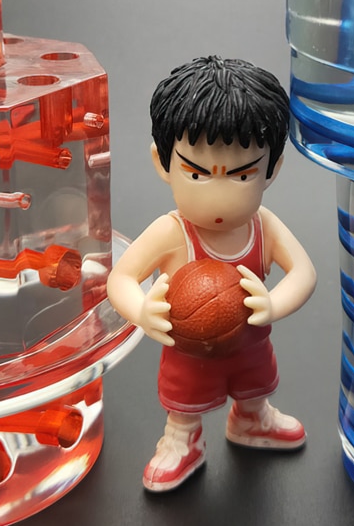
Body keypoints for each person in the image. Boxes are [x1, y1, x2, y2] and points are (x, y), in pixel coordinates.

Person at [107, 57, 317, 492]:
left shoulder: (265, 226)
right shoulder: (170, 232)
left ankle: (252, 418)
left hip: (250, 341)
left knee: (255, 381)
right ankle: (182, 438)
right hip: (190, 349)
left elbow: (304, 272)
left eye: (241, 175)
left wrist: (273, 304)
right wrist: (143, 311)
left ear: (272, 169)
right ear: (163, 163)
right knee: (186, 396)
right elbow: (120, 279)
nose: (219, 196)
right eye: (197, 173)